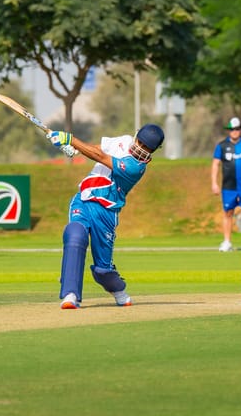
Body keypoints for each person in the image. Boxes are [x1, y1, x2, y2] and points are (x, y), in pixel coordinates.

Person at [47, 124, 165, 309]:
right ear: (135, 137)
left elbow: (100, 157)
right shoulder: (123, 141)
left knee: (102, 270)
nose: (141, 148)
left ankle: (118, 289)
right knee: (75, 235)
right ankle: (71, 295)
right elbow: (99, 149)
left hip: (106, 213)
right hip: (84, 200)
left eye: (147, 147)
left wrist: (70, 139)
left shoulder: (136, 168)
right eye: (140, 142)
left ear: (153, 151)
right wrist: (74, 148)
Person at [211, 117, 241, 252]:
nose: (234, 132)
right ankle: (227, 242)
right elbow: (215, 164)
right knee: (228, 212)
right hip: (229, 186)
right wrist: (214, 183)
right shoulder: (221, 146)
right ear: (229, 131)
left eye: (237, 129)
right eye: (232, 129)